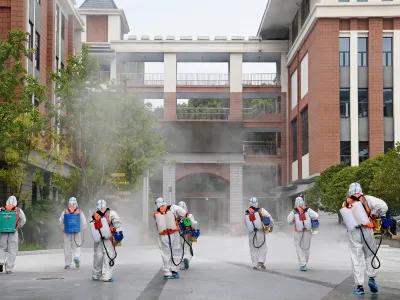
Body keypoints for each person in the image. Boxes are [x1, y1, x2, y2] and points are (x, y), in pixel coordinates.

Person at [343, 183, 388, 296]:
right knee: (370, 254)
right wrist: (374, 215)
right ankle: (371, 279)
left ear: (349, 191)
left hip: (353, 232)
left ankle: (359, 286)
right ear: (361, 190)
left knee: (356, 257)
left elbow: (346, 220)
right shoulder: (367, 199)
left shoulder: (345, 202)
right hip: (367, 229)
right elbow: (384, 207)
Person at [154, 197, 186, 279]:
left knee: (165, 253)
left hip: (163, 235)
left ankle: (167, 272)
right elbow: (183, 213)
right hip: (174, 233)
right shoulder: (173, 207)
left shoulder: (157, 212)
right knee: (176, 250)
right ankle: (174, 271)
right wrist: (178, 218)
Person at [92, 200, 122, 282]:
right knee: (109, 255)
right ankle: (106, 276)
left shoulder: (95, 214)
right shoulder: (111, 213)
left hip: (98, 238)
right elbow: (117, 224)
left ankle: (96, 275)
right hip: (108, 238)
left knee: (98, 255)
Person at [287, 196, 319, 272]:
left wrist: (293, 221)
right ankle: (305, 262)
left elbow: (288, 220)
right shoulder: (308, 210)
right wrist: (311, 220)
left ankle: (302, 263)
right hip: (307, 231)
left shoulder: (294, 211)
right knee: (306, 247)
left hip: (297, 232)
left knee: (298, 247)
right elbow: (316, 215)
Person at [245, 197, 274, 270]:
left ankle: (254, 264)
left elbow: (246, 223)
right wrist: (271, 226)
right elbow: (269, 218)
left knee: (253, 248)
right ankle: (260, 262)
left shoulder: (247, 212)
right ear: (257, 203)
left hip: (251, 232)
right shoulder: (261, 210)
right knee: (263, 247)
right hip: (260, 231)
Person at [59, 197, 87, 270]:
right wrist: (83, 228)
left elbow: (60, 221)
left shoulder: (65, 211)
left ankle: (67, 264)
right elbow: (84, 222)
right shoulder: (79, 211)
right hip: (76, 232)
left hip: (67, 232)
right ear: (76, 203)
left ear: (69, 203)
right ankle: (76, 257)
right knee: (77, 246)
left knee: (67, 248)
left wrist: (62, 226)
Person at [0, 196, 26, 274]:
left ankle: (1, 260)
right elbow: (23, 220)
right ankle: (8, 268)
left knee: (2, 247)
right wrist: (18, 226)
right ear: (15, 202)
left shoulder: (2, 209)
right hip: (13, 231)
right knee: (13, 249)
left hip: (3, 231)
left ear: (7, 202)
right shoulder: (18, 210)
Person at [178, 201, 198, 270]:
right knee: (188, 250)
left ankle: (182, 263)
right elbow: (194, 224)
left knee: (181, 250)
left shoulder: (176, 216)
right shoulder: (189, 215)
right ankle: (186, 259)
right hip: (189, 234)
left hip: (179, 235)